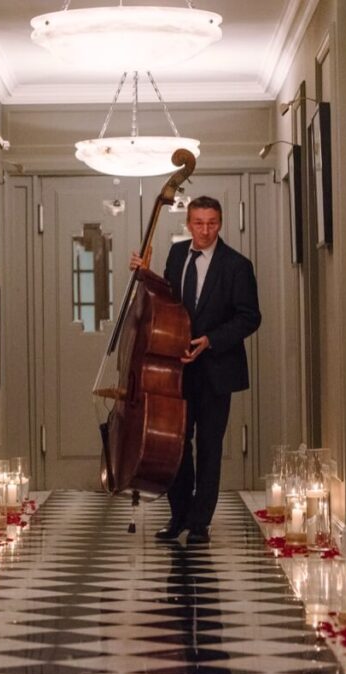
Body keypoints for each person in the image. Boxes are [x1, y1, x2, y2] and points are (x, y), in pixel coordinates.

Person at [129, 195, 261, 543]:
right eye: (199, 223)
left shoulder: (237, 265)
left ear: (221, 222)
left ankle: (200, 522)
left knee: (210, 447)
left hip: (217, 369)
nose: (205, 230)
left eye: (212, 223)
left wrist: (210, 341)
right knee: (175, 445)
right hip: (176, 369)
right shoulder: (177, 254)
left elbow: (250, 316)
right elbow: (168, 303)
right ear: (188, 223)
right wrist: (146, 274)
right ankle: (179, 516)